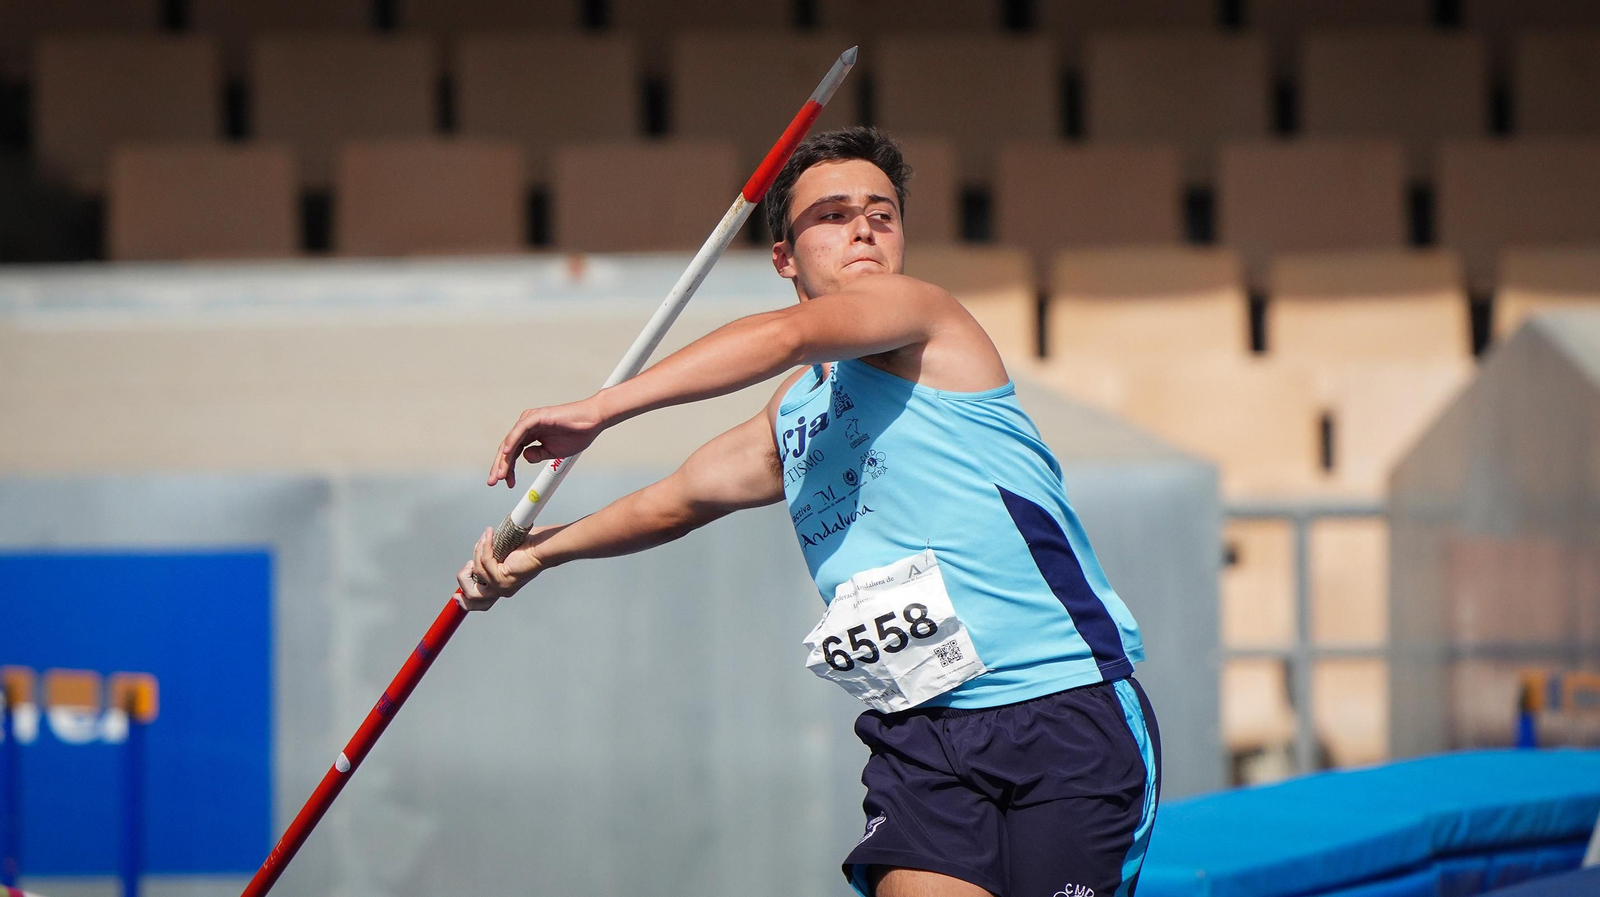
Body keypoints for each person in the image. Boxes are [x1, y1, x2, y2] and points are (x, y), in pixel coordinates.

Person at [457, 126, 1160, 897]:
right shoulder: (796, 415)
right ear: (783, 258)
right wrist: (536, 552)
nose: (863, 226)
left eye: (881, 214)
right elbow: (674, 501)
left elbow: (788, 334)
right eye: (832, 214)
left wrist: (600, 409)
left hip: (1061, 712)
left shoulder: (926, 319)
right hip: (922, 732)